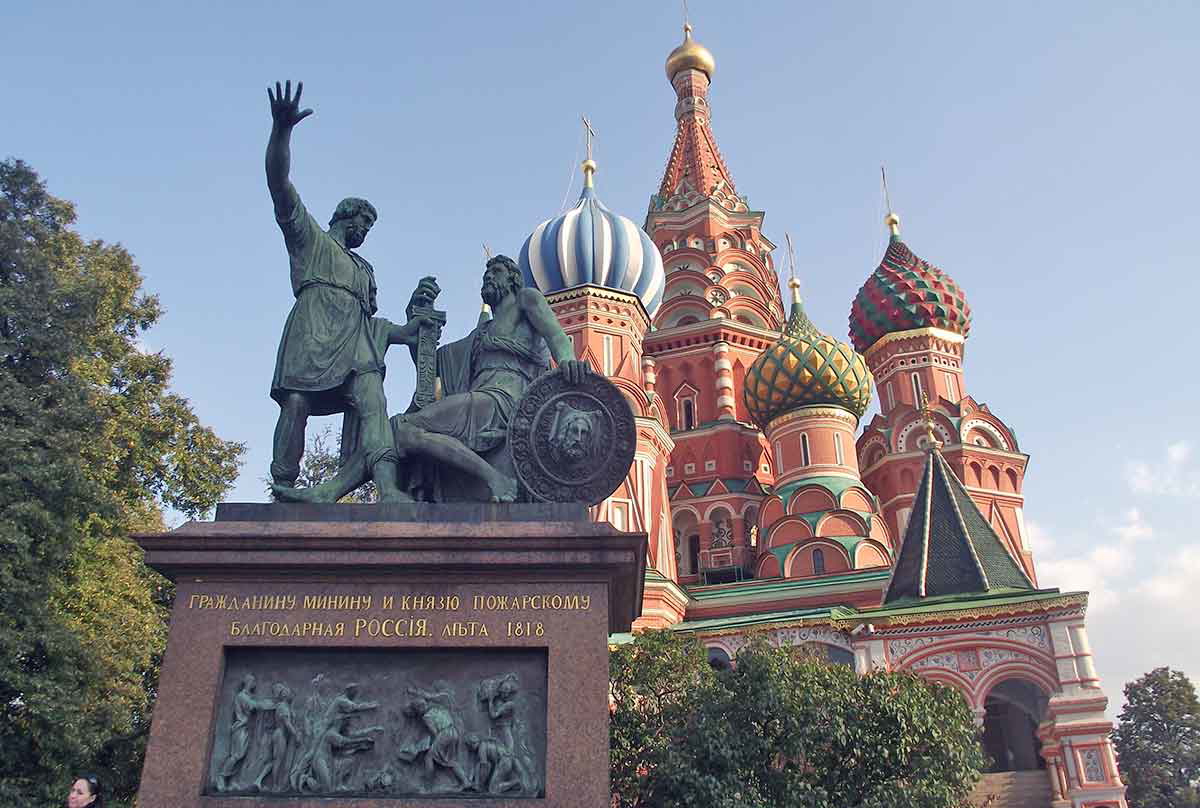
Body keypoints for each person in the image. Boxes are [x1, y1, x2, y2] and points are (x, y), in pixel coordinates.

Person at [272, 255, 589, 504]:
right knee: (394, 428)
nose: (488, 278)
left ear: (513, 279)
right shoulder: (481, 333)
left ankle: (496, 479)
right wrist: (417, 318)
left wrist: (568, 362)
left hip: (505, 401)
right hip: (481, 400)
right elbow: (433, 368)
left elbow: (557, 337)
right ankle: (330, 492)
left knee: (401, 428)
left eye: (496, 272)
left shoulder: (526, 300)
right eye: (485, 274)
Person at [264, 79, 434, 501]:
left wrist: (409, 328)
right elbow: (279, 185)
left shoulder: (365, 270)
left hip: (355, 346)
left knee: (374, 402)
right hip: (311, 334)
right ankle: (283, 486)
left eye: (370, 227)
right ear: (346, 216)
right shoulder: (310, 240)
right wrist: (282, 131)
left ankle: (388, 488)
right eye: (364, 223)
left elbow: (372, 324)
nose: (366, 231)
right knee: (297, 404)